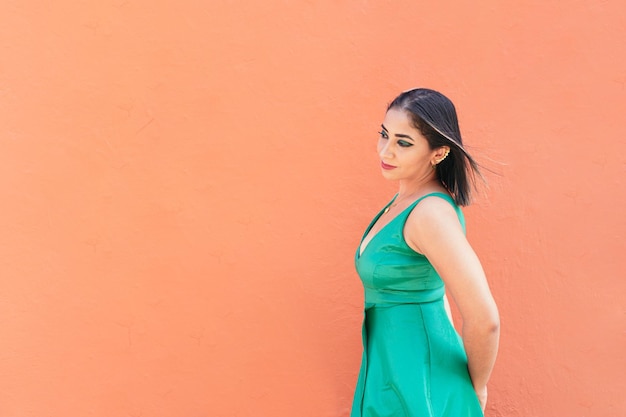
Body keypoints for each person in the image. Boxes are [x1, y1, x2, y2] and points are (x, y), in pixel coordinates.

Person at [351, 88, 500, 417]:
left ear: (438, 153)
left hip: (419, 380)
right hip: (391, 368)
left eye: (403, 143)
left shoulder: (429, 215)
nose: (386, 151)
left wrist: (476, 388)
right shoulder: (405, 201)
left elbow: (485, 319)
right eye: (384, 135)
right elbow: (436, 290)